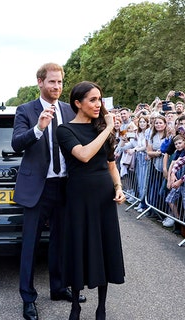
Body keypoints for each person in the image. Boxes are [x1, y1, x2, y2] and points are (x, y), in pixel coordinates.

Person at [11, 62, 84, 320]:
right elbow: (17, 143)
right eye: (52, 82)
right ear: (40, 82)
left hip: (64, 185)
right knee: (30, 245)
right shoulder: (25, 110)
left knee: (61, 241)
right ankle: (28, 298)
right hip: (37, 188)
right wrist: (39, 128)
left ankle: (58, 287)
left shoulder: (68, 109)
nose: (57, 87)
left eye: (60, 82)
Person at [56, 81, 125, 320]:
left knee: (104, 247)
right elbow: (84, 155)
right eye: (93, 100)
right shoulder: (65, 130)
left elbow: (111, 166)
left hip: (103, 196)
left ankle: (101, 307)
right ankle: (75, 305)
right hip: (78, 196)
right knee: (79, 247)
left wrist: (119, 187)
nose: (98, 105)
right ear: (78, 103)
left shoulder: (100, 128)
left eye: (100, 99)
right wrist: (107, 128)